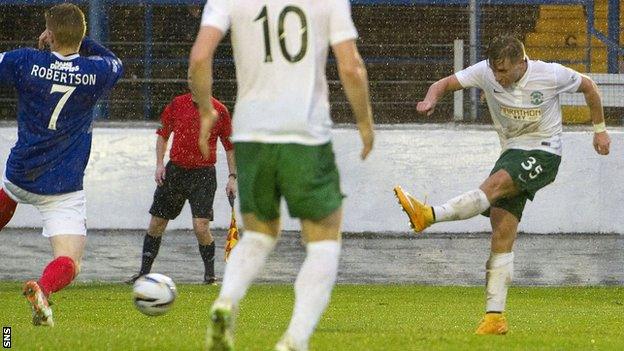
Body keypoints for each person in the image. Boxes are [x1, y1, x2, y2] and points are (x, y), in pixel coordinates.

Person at [394, 34, 611, 335]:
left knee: (493, 185)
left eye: (504, 71)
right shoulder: (485, 71)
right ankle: (494, 317)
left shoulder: (549, 74)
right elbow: (443, 84)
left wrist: (599, 131)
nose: (498, 77)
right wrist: (431, 98)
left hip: (544, 151)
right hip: (511, 152)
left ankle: (429, 215)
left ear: (522, 63)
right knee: (501, 231)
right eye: (495, 71)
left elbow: (589, 86)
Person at [189, 0, 375, 350]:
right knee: (323, 240)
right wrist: (364, 121)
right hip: (304, 133)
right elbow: (351, 67)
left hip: (250, 133)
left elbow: (200, 56)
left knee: (259, 234)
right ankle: (294, 340)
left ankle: (226, 301)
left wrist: (204, 111)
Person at [0, 3, 122, 326]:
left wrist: (48, 48)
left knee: (7, 198)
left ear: (49, 34)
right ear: (81, 37)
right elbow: (115, 61)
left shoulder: (26, 61)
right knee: (69, 260)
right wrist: (83, 44)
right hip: (63, 185)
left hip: (22, 172)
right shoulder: (96, 73)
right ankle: (43, 288)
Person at [126, 88, 236, 285]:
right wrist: (159, 164)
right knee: (157, 223)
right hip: (175, 172)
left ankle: (210, 276)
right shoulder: (177, 104)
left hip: (203, 175)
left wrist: (232, 177)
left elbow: (230, 147)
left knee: (201, 227)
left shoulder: (219, 111)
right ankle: (143, 273)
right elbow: (163, 134)